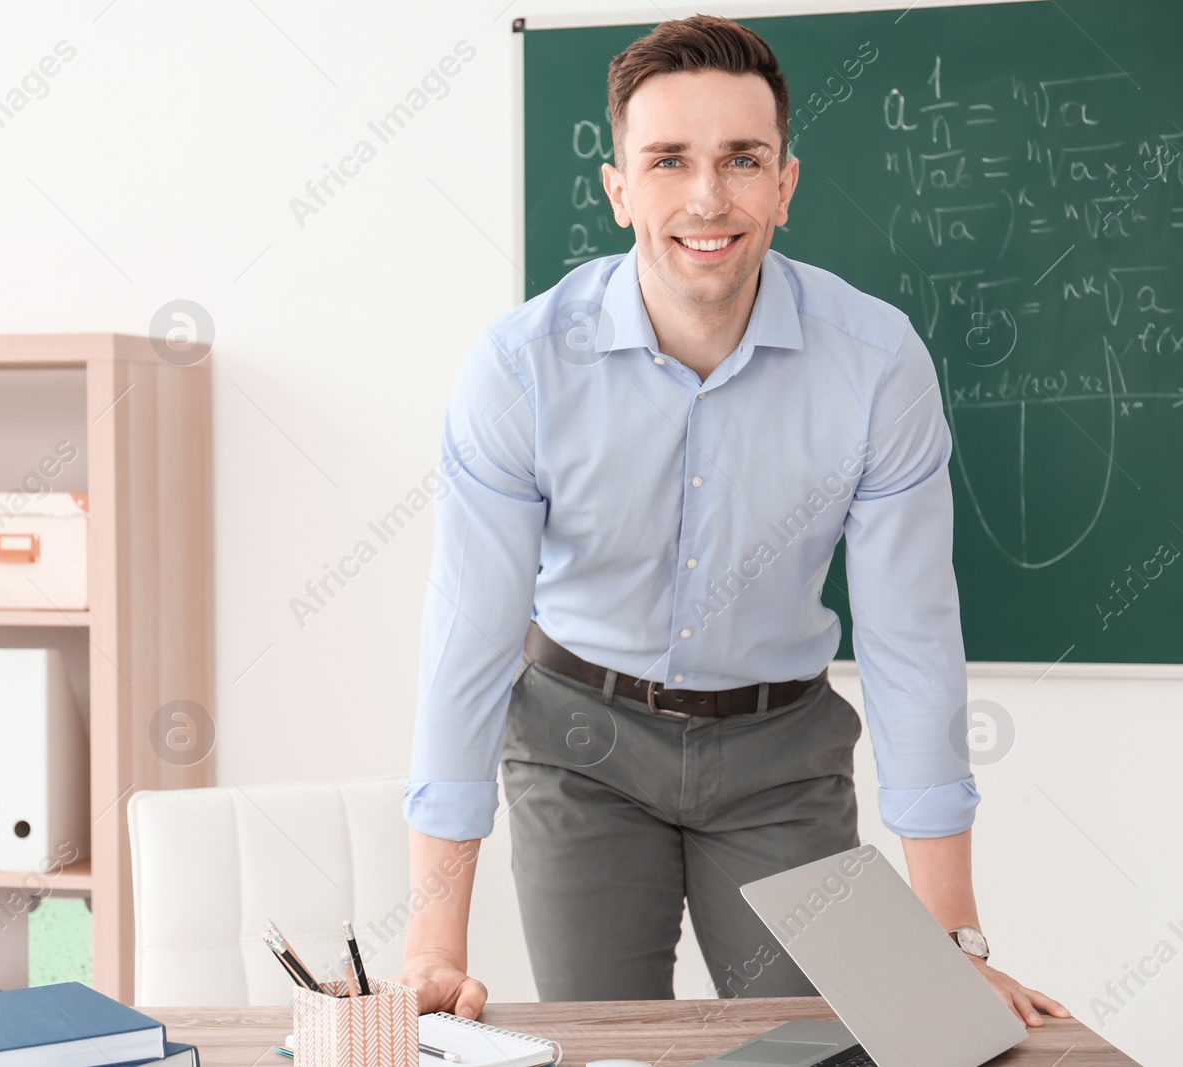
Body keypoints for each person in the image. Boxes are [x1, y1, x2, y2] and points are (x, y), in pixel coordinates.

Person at [397, 14, 1068, 1028]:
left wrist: (950, 943)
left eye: (741, 159)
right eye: (668, 160)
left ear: (784, 184)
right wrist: (432, 941)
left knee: (878, 1038)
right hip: (580, 747)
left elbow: (910, 642)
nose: (707, 197)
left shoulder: (876, 365)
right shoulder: (520, 369)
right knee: (603, 1043)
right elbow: (468, 644)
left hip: (780, 758)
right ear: (618, 185)